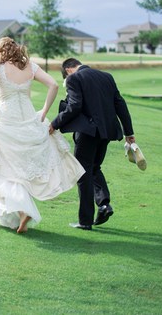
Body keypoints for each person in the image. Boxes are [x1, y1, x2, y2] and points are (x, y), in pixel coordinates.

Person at [0, 38, 85, 234]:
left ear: (0, 52)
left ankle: (23, 211)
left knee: (5, 168)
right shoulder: (30, 66)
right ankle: (21, 211)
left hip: (5, 120)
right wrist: (44, 112)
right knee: (18, 169)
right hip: (29, 120)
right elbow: (54, 85)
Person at [49, 58, 135, 230]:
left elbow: (74, 106)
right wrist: (129, 133)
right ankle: (104, 205)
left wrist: (55, 123)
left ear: (68, 70)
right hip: (106, 132)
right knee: (94, 168)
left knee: (82, 173)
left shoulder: (74, 79)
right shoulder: (106, 76)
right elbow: (120, 104)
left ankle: (85, 221)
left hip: (87, 133)